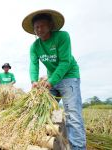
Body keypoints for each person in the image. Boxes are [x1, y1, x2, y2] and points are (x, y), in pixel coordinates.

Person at [22, 9, 86, 149]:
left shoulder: (62, 37)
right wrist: (34, 81)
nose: (39, 29)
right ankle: (58, 143)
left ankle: (78, 147)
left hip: (69, 77)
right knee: (51, 112)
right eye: (36, 27)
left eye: (42, 25)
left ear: (50, 25)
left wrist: (51, 81)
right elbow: (33, 65)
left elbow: (65, 62)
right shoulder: (35, 46)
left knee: (73, 117)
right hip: (51, 80)